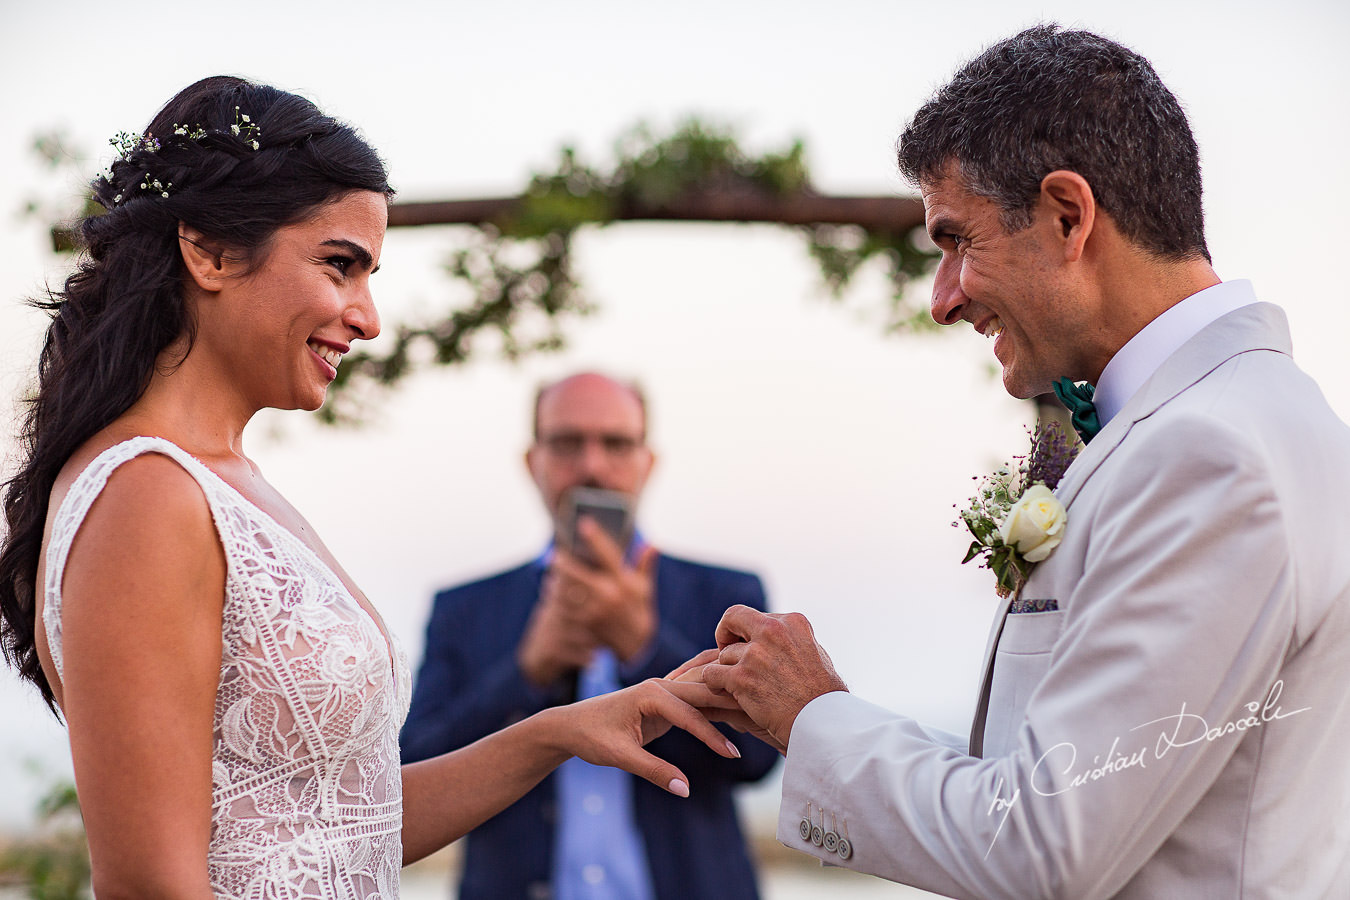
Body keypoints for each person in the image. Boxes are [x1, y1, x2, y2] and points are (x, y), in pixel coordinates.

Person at [0, 77, 738, 900]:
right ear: (207, 252)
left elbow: (346, 831)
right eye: (340, 266)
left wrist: (554, 734)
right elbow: (147, 885)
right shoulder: (146, 495)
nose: (368, 316)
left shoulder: (226, 482)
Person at [675, 25, 1350, 899]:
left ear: (1068, 216)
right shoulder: (1251, 422)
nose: (943, 299)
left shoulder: (1209, 454)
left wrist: (815, 721)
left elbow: (1046, 847)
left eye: (958, 241)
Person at [401, 371, 778, 900]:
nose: (592, 465)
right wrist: (527, 671)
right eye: (567, 442)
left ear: (649, 462)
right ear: (532, 462)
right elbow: (412, 769)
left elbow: (759, 760)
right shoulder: (465, 608)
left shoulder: (725, 595)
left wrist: (642, 644)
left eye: (616, 443)